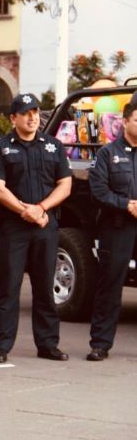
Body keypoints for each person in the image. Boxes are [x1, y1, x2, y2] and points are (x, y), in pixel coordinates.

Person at [0, 93, 72, 363]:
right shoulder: (0, 148)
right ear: (13, 118)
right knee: (8, 287)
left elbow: (65, 184)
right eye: (26, 113)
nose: (32, 117)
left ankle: (48, 344)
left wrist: (41, 208)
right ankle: (1, 346)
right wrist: (26, 211)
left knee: (45, 286)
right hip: (14, 228)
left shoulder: (53, 146)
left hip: (45, 226)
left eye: (35, 112)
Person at [86, 103, 137, 361]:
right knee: (110, 284)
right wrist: (126, 204)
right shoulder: (107, 153)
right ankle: (100, 344)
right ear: (125, 121)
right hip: (117, 226)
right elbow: (98, 191)